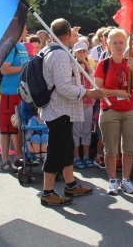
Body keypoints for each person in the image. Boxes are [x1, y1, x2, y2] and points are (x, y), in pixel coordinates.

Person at [40, 18, 106, 206]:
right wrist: (88, 92)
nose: (76, 38)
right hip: (59, 110)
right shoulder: (59, 55)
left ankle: (70, 184)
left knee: (67, 149)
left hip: (62, 111)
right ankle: (47, 192)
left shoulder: (51, 50)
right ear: (68, 33)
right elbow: (64, 87)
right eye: (75, 34)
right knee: (56, 151)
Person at [95, 28, 133, 195]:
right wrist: (118, 93)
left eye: (121, 42)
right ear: (108, 45)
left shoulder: (129, 62)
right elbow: (98, 90)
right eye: (114, 42)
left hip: (130, 109)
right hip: (110, 110)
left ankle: (126, 180)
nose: (118, 45)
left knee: (129, 148)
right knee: (110, 149)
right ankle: (113, 180)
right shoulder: (104, 64)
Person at [0, 26, 29, 172]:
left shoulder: (21, 46)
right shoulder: (10, 47)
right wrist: (22, 68)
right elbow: (4, 69)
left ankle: (18, 156)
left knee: (18, 126)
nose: (27, 31)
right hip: (9, 92)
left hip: (21, 93)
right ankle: (5, 160)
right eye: (24, 28)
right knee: (7, 127)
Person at [72, 41, 95, 169]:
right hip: (75, 103)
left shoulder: (89, 64)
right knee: (75, 132)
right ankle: (76, 157)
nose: (82, 54)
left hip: (88, 103)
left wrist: (88, 68)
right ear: (74, 52)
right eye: (79, 51)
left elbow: (93, 82)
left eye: (84, 51)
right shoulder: (71, 64)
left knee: (86, 131)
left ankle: (86, 156)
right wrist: (78, 68)